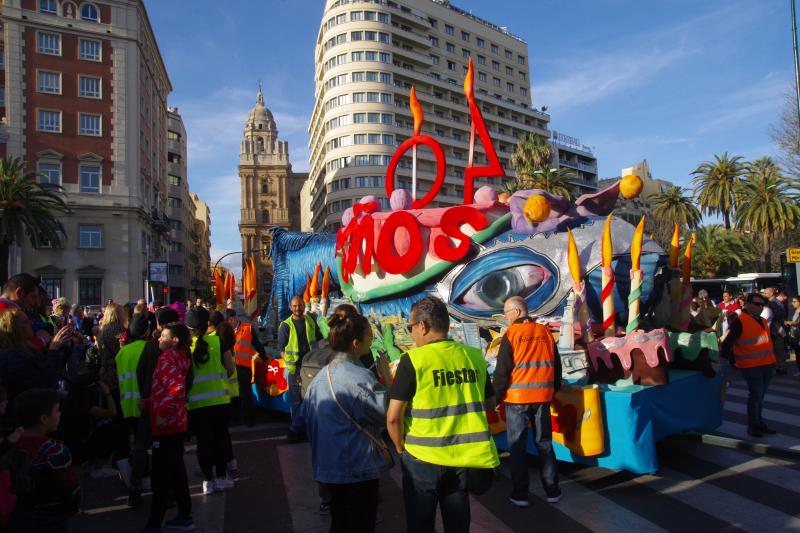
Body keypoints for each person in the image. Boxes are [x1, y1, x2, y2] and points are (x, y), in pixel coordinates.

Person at [386, 297, 499, 533]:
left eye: (410, 327)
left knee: (420, 525)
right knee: (458, 524)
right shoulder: (474, 357)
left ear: (423, 326)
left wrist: (400, 449)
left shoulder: (413, 361)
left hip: (422, 459)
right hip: (462, 460)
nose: (410, 333)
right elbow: (490, 404)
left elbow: (393, 418)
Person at [294, 311, 390, 533]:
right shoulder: (360, 378)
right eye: (370, 336)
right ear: (356, 343)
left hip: (328, 470)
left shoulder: (320, 377)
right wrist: (387, 379)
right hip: (357, 469)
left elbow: (300, 421)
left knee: (339, 523)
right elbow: (387, 414)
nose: (372, 340)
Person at [494, 296, 562, 507]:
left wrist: (496, 398)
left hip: (517, 400)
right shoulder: (546, 333)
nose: (505, 317)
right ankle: (552, 489)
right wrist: (552, 392)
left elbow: (502, 371)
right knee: (545, 444)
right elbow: (556, 368)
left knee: (517, 447)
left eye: (506, 313)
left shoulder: (511, 334)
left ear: (516, 312)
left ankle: (520, 493)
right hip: (542, 398)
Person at [141, 323, 194, 533]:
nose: (159, 339)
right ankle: (184, 515)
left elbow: (177, 388)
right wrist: (150, 403)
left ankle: (154, 524)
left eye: (163, 336)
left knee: (161, 477)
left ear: (175, 341)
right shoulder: (177, 359)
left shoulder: (167, 359)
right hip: (175, 423)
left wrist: (161, 412)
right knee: (176, 472)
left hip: (167, 425)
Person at [6, 388, 80, 533]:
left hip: (14, 517)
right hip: (51, 518)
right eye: (57, 410)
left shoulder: (8, 445)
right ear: (43, 419)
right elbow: (70, 489)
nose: (60, 414)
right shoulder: (56, 450)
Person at [185, 307, 236, 495]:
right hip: (220, 400)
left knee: (203, 443)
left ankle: (207, 480)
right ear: (208, 323)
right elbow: (230, 368)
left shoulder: (186, 346)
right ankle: (222, 477)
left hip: (196, 404)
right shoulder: (218, 341)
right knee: (220, 439)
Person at [720, 293, 777, 438]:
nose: (759, 307)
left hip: (767, 364)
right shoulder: (740, 321)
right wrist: (723, 360)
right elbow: (728, 343)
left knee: (760, 396)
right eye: (756, 304)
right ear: (748, 304)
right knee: (756, 395)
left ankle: (759, 422)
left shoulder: (763, 320)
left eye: (762, 305)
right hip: (751, 366)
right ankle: (753, 425)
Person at [116, 313, 151, 506]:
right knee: (146, 446)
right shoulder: (149, 348)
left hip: (127, 405)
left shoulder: (122, 352)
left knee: (137, 445)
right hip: (146, 405)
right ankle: (141, 481)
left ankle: (137, 482)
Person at [278, 295, 321, 420]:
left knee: (310, 400)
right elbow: (281, 348)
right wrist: (289, 363)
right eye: (295, 306)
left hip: (310, 366)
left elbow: (319, 340)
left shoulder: (310, 321)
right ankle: (296, 430)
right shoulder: (285, 325)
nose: (298, 308)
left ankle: (308, 428)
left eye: (300, 305)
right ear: (291, 308)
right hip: (294, 369)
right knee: (296, 402)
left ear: (304, 305)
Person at [224, 308, 266, 427]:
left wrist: (264, 357)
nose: (227, 323)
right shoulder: (226, 331)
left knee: (246, 393)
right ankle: (235, 419)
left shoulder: (248, 328)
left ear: (232, 319)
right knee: (233, 394)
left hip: (244, 367)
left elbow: (257, 344)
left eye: (228, 320)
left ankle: (249, 419)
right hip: (231, 366)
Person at [764, 287, 787, 374]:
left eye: (766, 293)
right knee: (774, 350)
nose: (765, 294)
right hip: (771, 330)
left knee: (779, 349)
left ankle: (782, 368)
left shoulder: (776, 303)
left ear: (771, 293)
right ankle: (777, 366)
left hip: (777, 330)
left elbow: (776, 317)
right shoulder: (769, 303)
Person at [785, 295, 800, 376]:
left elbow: (796, 322)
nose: (792, 303)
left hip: (798, 333)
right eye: (792, 301)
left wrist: (793, 323)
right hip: (795, 334)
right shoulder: (795, 310)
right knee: (797, 353)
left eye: (795, 301)